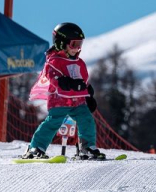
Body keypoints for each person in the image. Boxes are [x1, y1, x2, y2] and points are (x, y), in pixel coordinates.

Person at [20, 22, 106, 160]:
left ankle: (87, 147)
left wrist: (89, 95)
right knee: (53, 122)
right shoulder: (54, 61)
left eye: (80, 44)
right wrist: (68, 83)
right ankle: (36, 148)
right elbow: (55, 79)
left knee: (87, 119)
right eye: (74, 44)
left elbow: (84, 81)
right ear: (61, 43)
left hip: (78, 101)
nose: (77, 49)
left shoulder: (79, 62)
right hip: (60, 100)